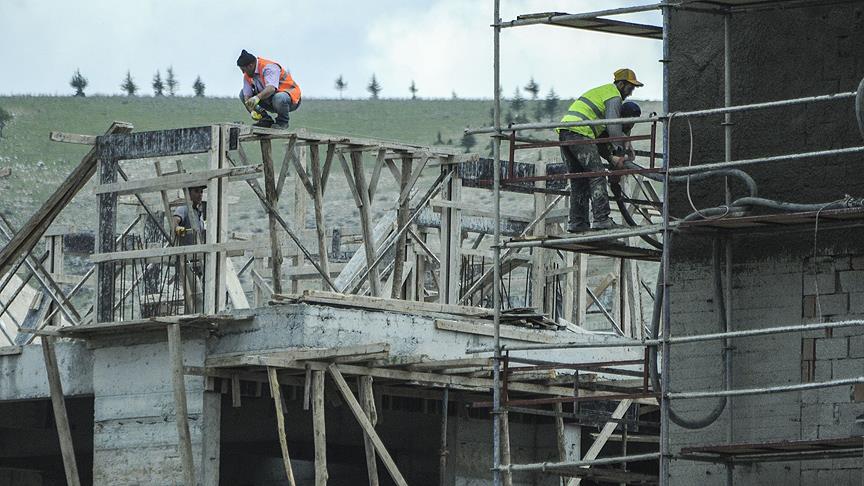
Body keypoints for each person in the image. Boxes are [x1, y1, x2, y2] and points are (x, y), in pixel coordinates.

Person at [558, 69, 643, 232]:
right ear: (621, 84)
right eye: (630, 87)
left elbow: (602, 139)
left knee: (579, 179)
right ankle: (601, 219)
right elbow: (613, 125)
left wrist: (613, 155)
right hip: (580, 132)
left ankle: (577, 222)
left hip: (566, 132)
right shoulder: (614, 96)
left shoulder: (602, 94)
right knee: (597, 175)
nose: (631, 92)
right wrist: (618, 153)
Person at [237, 49, 302, 129]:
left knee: (279, 97)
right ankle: (265, 120)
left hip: (291, 99)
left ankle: (282, 123)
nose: (243, 72)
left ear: (250, 66)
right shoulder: (248, 75)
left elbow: (271, 89)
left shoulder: (269, 67)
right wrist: (252, 110)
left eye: (243, 70)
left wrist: (256, 98)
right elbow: (247, 96)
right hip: (270, 100)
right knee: (242, 94)